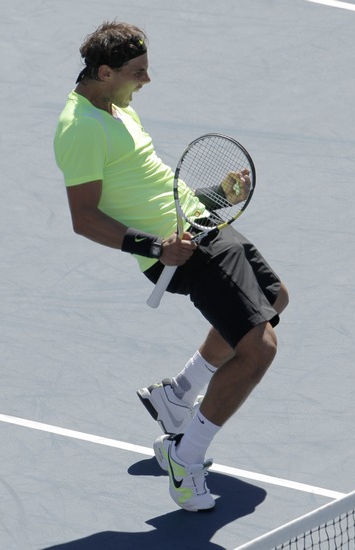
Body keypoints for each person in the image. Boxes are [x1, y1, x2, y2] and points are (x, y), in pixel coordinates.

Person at [54, 21, 289, 513]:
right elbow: (84, 219)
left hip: (198, 225)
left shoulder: (117, 107)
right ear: (104, 71)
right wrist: (156, 247)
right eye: (138, 72)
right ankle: (186, 457)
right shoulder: (80, 128)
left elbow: (153, 186)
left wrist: (215, 196)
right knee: (259, 347)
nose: (147, 79)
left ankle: (178, 395)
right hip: (178, 250)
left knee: (274, 300)